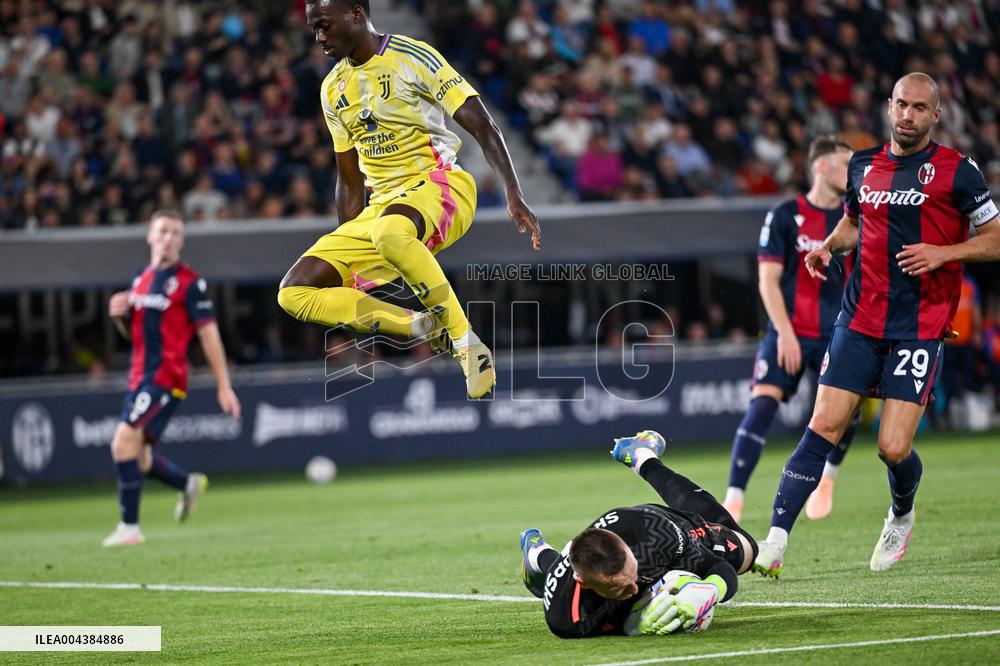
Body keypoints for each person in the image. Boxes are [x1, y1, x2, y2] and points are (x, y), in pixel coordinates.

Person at [754, 73, 1000, 577]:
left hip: (920, 326)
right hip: (860, 317)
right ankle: (774, 542)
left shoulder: (959, 171)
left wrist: (944, 252)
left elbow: (995, 238)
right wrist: (828, 246)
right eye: (901, 105)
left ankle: (901, 512)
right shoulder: (863, 165)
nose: (908, 115)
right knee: (823, 425)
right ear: (889, 106)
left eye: (919, 108)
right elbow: (853, 221)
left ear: (936, 115)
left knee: (892, 447)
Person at [278, 0, 541, 399]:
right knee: (293, 292)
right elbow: (349, 179)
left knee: (389, 231)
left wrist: (513, 191)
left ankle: (468, 345)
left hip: (441, 185)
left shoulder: (413, 56)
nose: (319, 37)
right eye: (314, 28)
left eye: (324, 25)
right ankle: (423, 326)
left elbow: (482, 124)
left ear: (356, 14)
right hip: (383, 209)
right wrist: (352, 251)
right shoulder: (332, 88)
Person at [723, 137, 858, 524]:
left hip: (839, 331)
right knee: (762, 405)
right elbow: (767, 280)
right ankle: (733, 499)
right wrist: (784, 333)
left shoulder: (856, 219)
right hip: (789, 329)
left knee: (845, 411)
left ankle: (827, 478)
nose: (853, 173)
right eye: (845, 164)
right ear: (821, 166)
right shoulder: (784, 215)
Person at [520, 431, 757, 638]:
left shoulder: (657, 537)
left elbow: (718, 568)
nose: (633, 589)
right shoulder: (568, 620)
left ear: (627, 550)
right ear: (586, 583)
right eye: (620, 588)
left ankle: (642, 457)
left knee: (748, 550)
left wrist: (710, 591)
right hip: (581, 570)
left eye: (632, 575)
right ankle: (537, 553)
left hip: (655, 525)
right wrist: (636, 626)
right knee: (565, 568)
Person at [103, 210, 241, 547]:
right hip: (139, 377)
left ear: (182, 240)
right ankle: (186, 484)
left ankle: (129, 528)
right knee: (139, 456)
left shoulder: (190, 283)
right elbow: (135, 334)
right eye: (162, 231)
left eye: (175, 233)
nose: (168, 238)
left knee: (122, 442)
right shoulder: (140, 278)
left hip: (166, 378)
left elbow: (209, 334)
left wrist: (224, 385)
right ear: (150, 236)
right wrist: (120, 317)